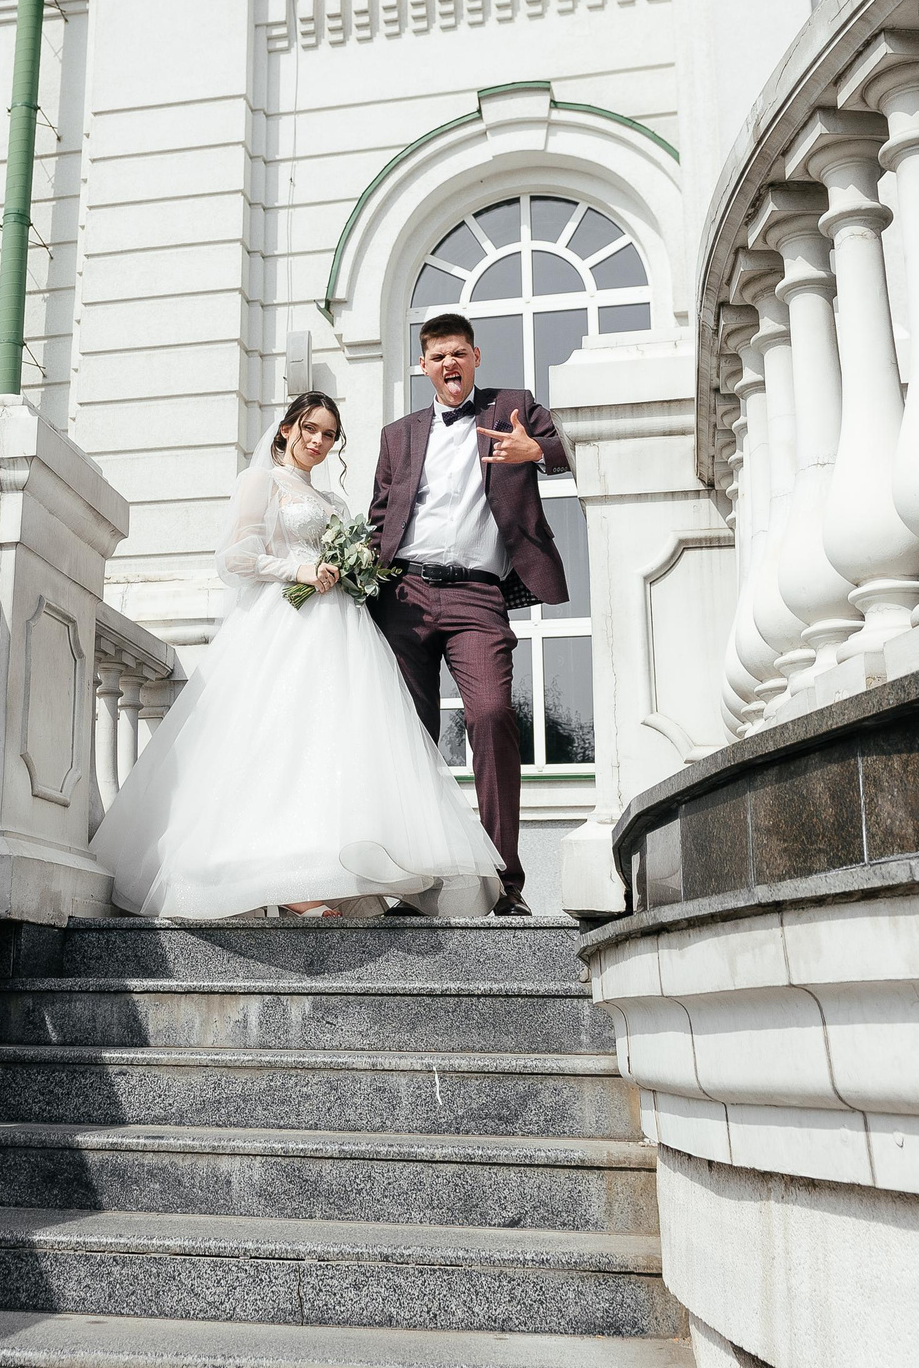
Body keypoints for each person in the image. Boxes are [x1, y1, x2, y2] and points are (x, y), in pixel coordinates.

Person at [90, 391, 503, 920]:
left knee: (332, 752)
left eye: (329, 435)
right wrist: (299, 571)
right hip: (284, 625)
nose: (319, 442)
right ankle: (286, 886)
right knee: (276, 744)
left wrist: (352, 575)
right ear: (287, 429)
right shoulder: (261, 481)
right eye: (311, 429)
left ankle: (331, 877)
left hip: (340, 632)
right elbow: (236, 558)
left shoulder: (332, 502)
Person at [368, 312, 573, 917]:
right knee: (409, 735)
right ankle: (411, 882)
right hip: (403, 595)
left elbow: (577, 445)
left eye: (458, 354)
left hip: (477, 595)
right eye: (437, 357)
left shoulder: (512, 406)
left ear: (476, 357)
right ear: (423, 366)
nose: (449, 365)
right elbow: (381, 517)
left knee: (490, 715)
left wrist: (537, 450)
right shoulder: (398, 435)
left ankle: (505, 881)